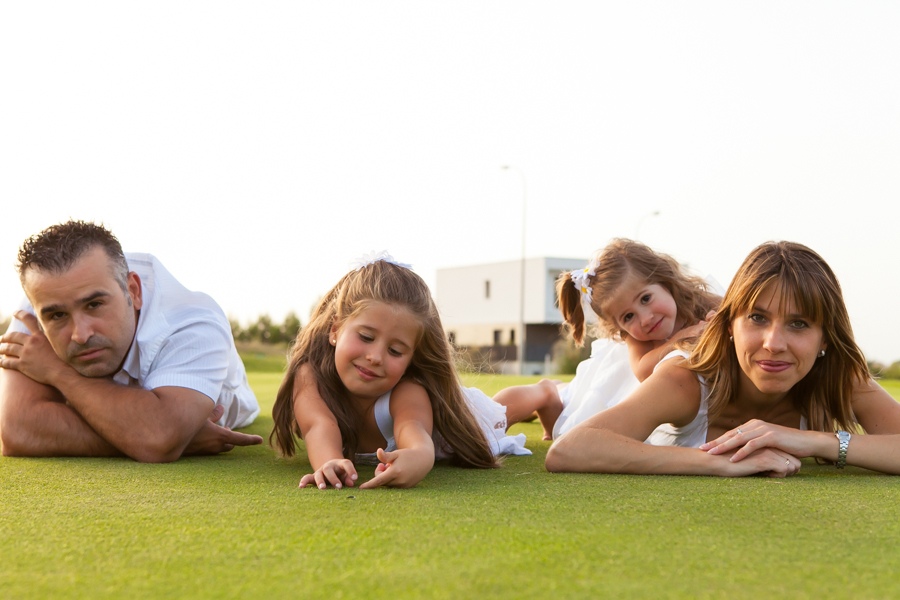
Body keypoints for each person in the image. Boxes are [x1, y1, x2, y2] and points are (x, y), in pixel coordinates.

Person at [546, 241, 900, 477]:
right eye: (757, 319)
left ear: (825, 337)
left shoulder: (837, 378)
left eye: (799, 323)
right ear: (729, 323)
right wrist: (717, 462)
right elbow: (570, 450)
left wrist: (813, 441)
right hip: (615, 397)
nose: (774, 343)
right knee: (558, 399)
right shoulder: (686, 378)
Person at [0, 220, 262, 462]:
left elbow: (158, 436)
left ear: (133, 291)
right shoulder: (45, 296)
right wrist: (165, 437)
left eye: (94, 305)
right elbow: (16, 430)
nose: (80, 335)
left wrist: (58, 373)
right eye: (58, 316)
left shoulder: (193, 321)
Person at [270, 253, 530, 490]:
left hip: (458, 419)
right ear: (335, 330)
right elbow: (318, 425)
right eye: (365, 336)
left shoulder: (408, 390)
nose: (375, 357)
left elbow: (416, 436)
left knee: (503, 411)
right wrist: (329, 462)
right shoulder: (309, 376)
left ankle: (546, 392)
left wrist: (418, 458)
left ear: (411, 358)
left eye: (395, 351)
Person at [493, 238, 720, 440]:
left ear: (665, 280)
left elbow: (738, 312)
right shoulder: (637, 338)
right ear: (618, 327)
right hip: (616, 390)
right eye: (628, 317)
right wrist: (682, 337)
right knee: (565, 424)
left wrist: (720, 318)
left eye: (646, 298)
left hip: (667, 397)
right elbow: (642, 370)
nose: (645, 319)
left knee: (566, 394)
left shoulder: (697, 300)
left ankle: (555, 391)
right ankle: (542, 396)